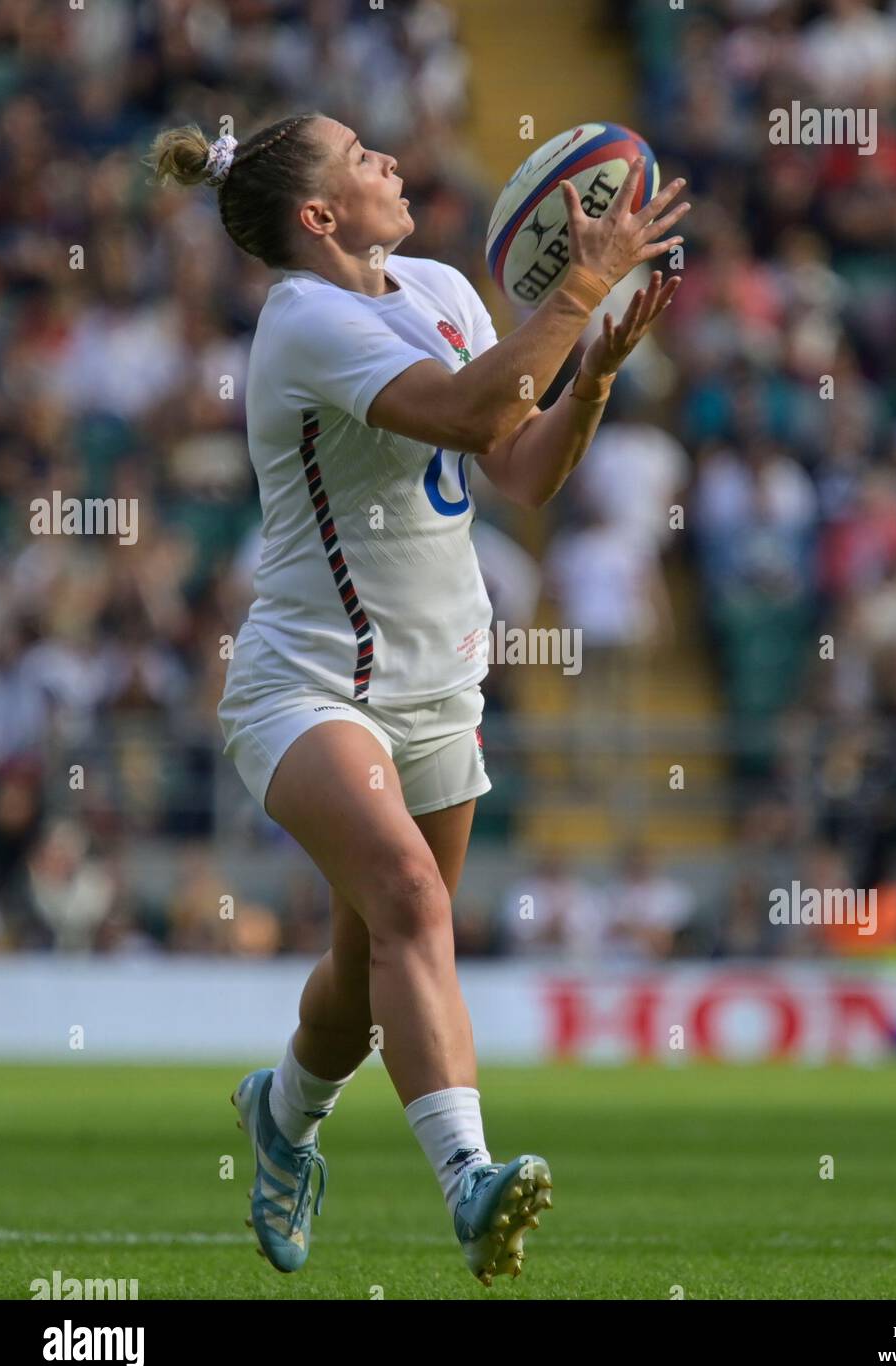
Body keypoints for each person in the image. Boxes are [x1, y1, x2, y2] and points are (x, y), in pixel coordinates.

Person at [144, 112, 688, 1285]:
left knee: (366, 973)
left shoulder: (442, 283)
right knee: (405, 895)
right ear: (319, 217)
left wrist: (587, 374)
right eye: (360, 157)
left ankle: (282, 1114)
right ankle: (469, 1177)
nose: (390, 161)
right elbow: (456, 412)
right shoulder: (302, 322)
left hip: (439, 684)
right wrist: (581, 282)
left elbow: (519, 465)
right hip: (306, 682)